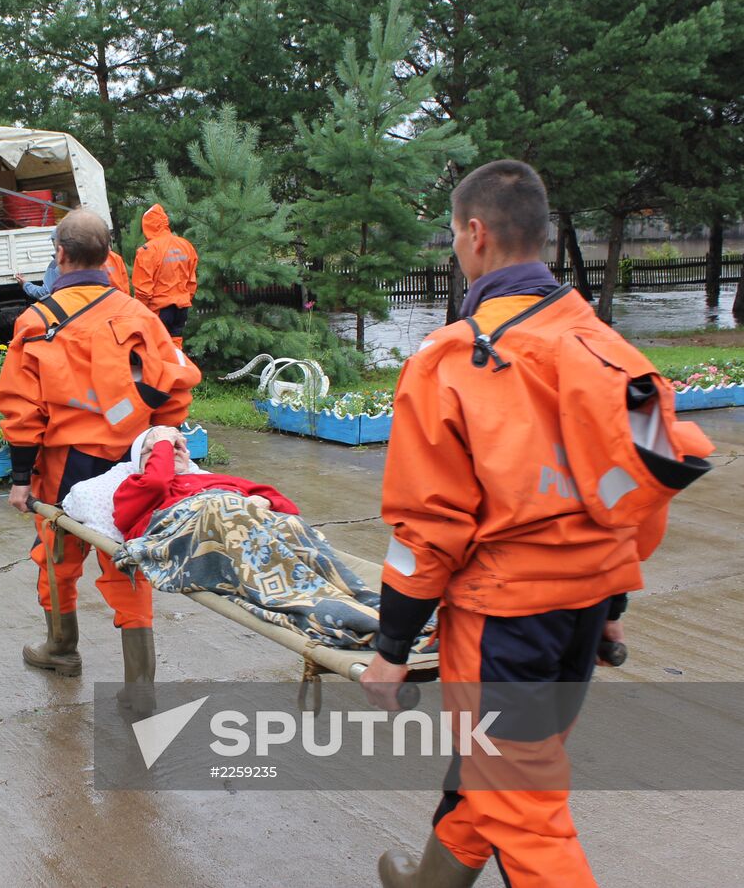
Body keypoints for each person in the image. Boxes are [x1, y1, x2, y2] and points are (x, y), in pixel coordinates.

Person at [360, 160, 714, 888]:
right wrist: (610, 604)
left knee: (526, 813)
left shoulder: (453, 360)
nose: (458, 249)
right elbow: (634, 493)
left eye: (456, 236)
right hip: (580, 616)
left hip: (506, 620)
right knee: (501, 776)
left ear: (477, 234)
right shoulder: (607, 347)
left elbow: (427, 525)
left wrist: (391, 645)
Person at [0, 209, 201, 699]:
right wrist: (160, 440)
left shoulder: (36, 321)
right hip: (129, 464)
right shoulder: (141, 317)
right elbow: (175, 389)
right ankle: (139, 684)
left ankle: (61, 649)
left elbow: (21, 408)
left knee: (56, 555)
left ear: (59, 254)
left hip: (65, 466)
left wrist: (20, 479)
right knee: (127, 560)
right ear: (110, 256)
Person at [112, 426, 297, 540]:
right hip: (197, 539)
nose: (173, 451)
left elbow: (288, 506)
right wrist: (163, 441)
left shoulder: (212, 479)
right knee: (218, 504)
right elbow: (156, 483)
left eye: (178, 447)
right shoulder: (132, 487)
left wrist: (265, 501)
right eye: (159, 448)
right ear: (140, 459)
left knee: (301, 535)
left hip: (257, 533)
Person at [131, 203, 198, 346]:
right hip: (181, 309)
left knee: (156, 349)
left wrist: (141, 314)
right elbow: (191, 283)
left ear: (147, 226)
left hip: (159, 310)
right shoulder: (185, 245)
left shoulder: (148, 250)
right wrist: (183, 298)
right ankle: (178, 368)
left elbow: (143, 290)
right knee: (175, 346)